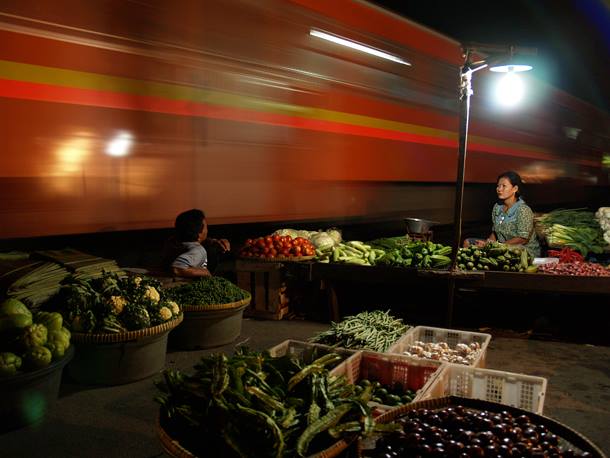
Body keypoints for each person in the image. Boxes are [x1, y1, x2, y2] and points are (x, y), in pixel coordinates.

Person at [464, 171, 541, 257]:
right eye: (498, 186)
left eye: (504, 186)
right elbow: (495, 233)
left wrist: (498, 247)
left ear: (515, 189)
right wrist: (487, 243)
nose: (499, 189)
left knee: (494, 256)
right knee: (468, 243)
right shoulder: (497, 207)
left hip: (522, 250)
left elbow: (522, 239)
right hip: (502, 246)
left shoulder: (523, 210)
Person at [162, 209, 231, 278]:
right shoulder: (198, 251)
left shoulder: (172, 243)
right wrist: (206, 272)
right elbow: (177, 268)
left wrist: (212, 241)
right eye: (206, 226)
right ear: (199, 234)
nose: (207, 229)